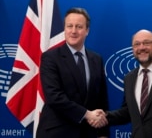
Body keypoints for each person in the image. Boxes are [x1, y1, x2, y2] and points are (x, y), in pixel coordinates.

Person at [36, 7, 109, 138]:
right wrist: (87, 114)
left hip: (89, 133)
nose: (73, 31)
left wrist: (103, 134)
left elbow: (101, 99)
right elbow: (54, 97)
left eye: (79, 27)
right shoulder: (50, 57)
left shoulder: (96, 59)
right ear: (64, 28)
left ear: (87, 30)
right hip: (57, 133)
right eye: (69, 26)